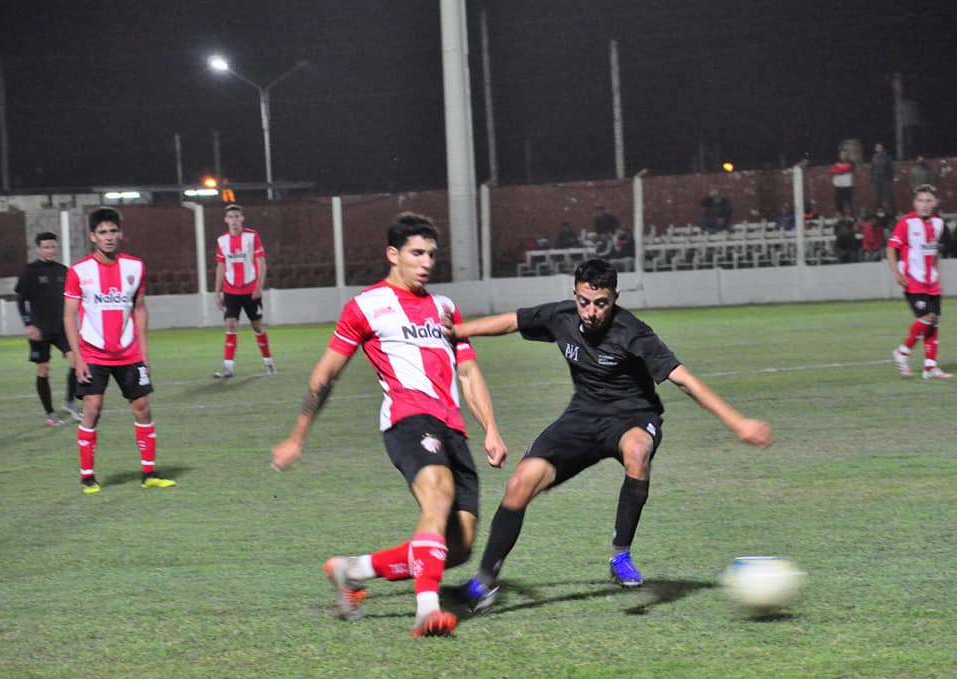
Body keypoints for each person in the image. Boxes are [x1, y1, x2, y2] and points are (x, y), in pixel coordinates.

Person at [444, 258, 773, 612]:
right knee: (519, 483)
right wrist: (459, 331)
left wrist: (738, 423)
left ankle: (620, 556)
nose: (591, 312)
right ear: (575, 295)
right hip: (581, 419)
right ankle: (485, 583)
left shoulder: (633, 332)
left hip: (633, 417)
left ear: (615, 297)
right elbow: (513, 321)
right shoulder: (562, 317)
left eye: (601, 303)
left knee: (637, 451)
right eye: (584, 302)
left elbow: (684, 380)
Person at [270, 212, 508, 637]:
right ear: (393, 254)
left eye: (431, 254)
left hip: (453, 427)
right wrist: (297, 436)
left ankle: (352, 570)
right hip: (408, 418)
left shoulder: (445, 309)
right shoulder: (366, 306)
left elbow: (469, 372)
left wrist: (490, 427)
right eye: (417, 253)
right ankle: (427, 610)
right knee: (438, 496)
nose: (427, 262)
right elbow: (326, 373)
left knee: (458, 547)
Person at [63, 208, 176, 494]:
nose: (109, 237)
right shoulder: (79, 271)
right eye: (102, 232)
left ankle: (149, 473)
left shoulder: (135, 267)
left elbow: (140, 308)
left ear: (120, 233)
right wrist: (77, 357)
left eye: (113, 231)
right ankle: (87, 477)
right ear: (92, 237)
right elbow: (69, 315)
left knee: (142, 407)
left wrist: (144, 354)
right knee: (92, 407)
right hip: (93, 352)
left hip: (129, 353)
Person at [15, 231, 82, 426]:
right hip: (40, 330)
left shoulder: (63, 271)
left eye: (53, 247)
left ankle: (69, 403)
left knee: (76, 361)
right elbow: (20, 301)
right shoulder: (30, 271)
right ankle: (50, 413)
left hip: (62, 329)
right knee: (43, 370)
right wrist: (29, 324)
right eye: (46, 247)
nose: (50, 250)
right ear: (38, 249)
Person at [888, 185, 951, 379]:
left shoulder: (939, 224)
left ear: (935, 203)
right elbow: (891, 248)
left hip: (932, 281)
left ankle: (930, 367)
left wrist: (938, 275)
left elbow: (935, 251)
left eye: (928, 200)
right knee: (927, 317)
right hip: (913, 280)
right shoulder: (906, 223)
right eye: (921, 200)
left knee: (934, 322)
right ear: (915, 203)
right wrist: (896, 273)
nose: (925, 204)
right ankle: (902, 352)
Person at [213, 204, 275, 378]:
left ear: (242, 218)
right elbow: (220, 266)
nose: (233, 220)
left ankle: (268, 362)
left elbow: (261, 262)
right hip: (231, 290)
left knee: (257, 326)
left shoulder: (252, 236)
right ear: (226, 220)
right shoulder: (221, 240)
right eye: (230, 217)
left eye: (236, 216)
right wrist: (217, 292)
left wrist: (258, 287)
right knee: (230, 324)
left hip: (250, 289)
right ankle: (228, 367)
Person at [870, 142, 895, 216]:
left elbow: (891, 169)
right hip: (877, 180)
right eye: (876, 147)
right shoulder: (874, 157)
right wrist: (873, 179)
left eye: (879, 147)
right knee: (878, 198)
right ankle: (879, 213)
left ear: (882, 148)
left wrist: (890, 179)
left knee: (889, 197)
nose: (877, 148)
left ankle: (892, 213)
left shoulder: (887, 157)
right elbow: (872, 169)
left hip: (886, 180)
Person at [830, 149, 856, 216]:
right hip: (838, 186)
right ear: (839, 155)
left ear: (847, 155)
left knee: (850, 202)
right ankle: (841, 216)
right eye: (842, 154)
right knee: (838, 202)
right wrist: (840, 171)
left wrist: (839, 170)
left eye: (845, 154)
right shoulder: (835, 163)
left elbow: (846, 169)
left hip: (848, 186)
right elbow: (832, 171)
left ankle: (852, 216)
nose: (843, 156)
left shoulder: (851, 163)